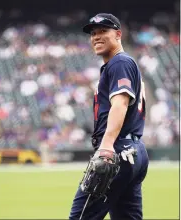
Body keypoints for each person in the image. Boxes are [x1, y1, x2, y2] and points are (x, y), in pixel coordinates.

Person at [69, 13, 149, 220]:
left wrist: (106, 146)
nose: (96, 36)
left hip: (118, 149)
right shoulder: (122, 64)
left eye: (103, 31)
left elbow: (120, 104)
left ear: (118, 34)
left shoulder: (119, 62)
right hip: (134, 149)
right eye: (93, 33)